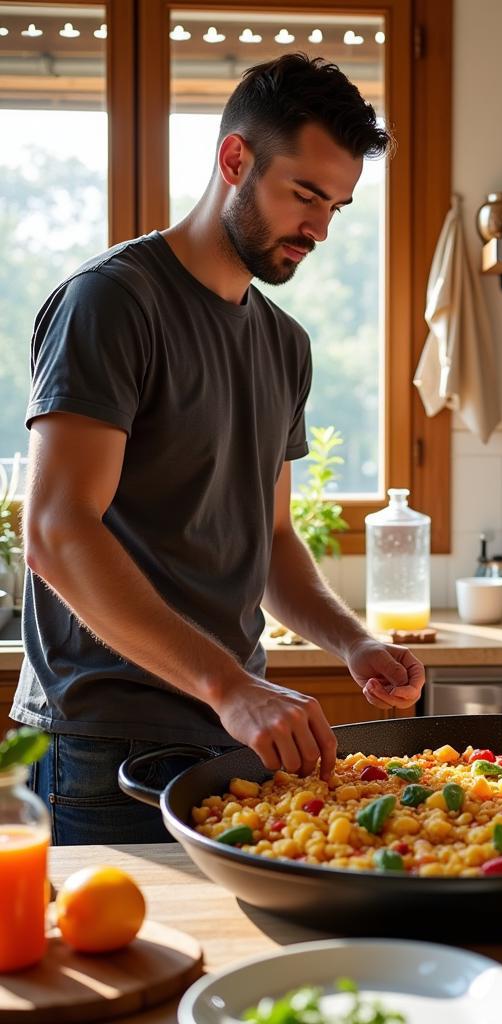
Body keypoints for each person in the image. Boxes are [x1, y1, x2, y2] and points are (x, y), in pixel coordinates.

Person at [13, 54, 426, 845]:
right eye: (305, 195)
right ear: (235, 160)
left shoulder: (284, 344)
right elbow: (57, 534)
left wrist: (353, 640)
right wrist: (230, 685)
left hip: (234, 735)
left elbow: (269, 544)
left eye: (337, 207)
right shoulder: (111, 303)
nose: (319, 229)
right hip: (104, 745)